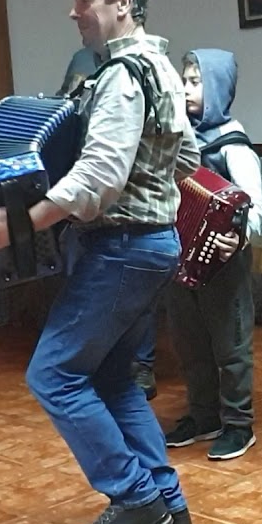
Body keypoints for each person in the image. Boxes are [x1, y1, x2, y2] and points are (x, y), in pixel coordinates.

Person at [0, 0, 201, 524]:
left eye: (84, 1)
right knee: (113, 379)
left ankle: (136, 498)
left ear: (123, 3)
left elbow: (98, 176)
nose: (73, 13)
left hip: (120, 248)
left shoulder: (122, 76)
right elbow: (188, 159)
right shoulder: (162, 67)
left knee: (53, 375)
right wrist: (151, 188)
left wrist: (19, 225)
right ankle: (169, 509)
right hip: (151, 246)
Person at [160, 48, 262, 461]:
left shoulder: (233, 145)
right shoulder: (180, 138)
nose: (186, 89)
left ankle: (238, 424)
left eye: (196, 82)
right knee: (189, 340)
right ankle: (203, 415)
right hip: (181, 255)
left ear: (218, 87)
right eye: (184, 81)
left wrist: (238, 236)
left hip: (225, 262)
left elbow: (253, 203)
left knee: (230, 343)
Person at [58, 44, 158, 400]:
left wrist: (33, 217)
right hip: (83, 219)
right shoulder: (80, 72)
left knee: (135, 300)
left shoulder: (127, 79)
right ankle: (97, 362)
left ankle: (141, 364)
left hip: (127, 220)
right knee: (81, 289)